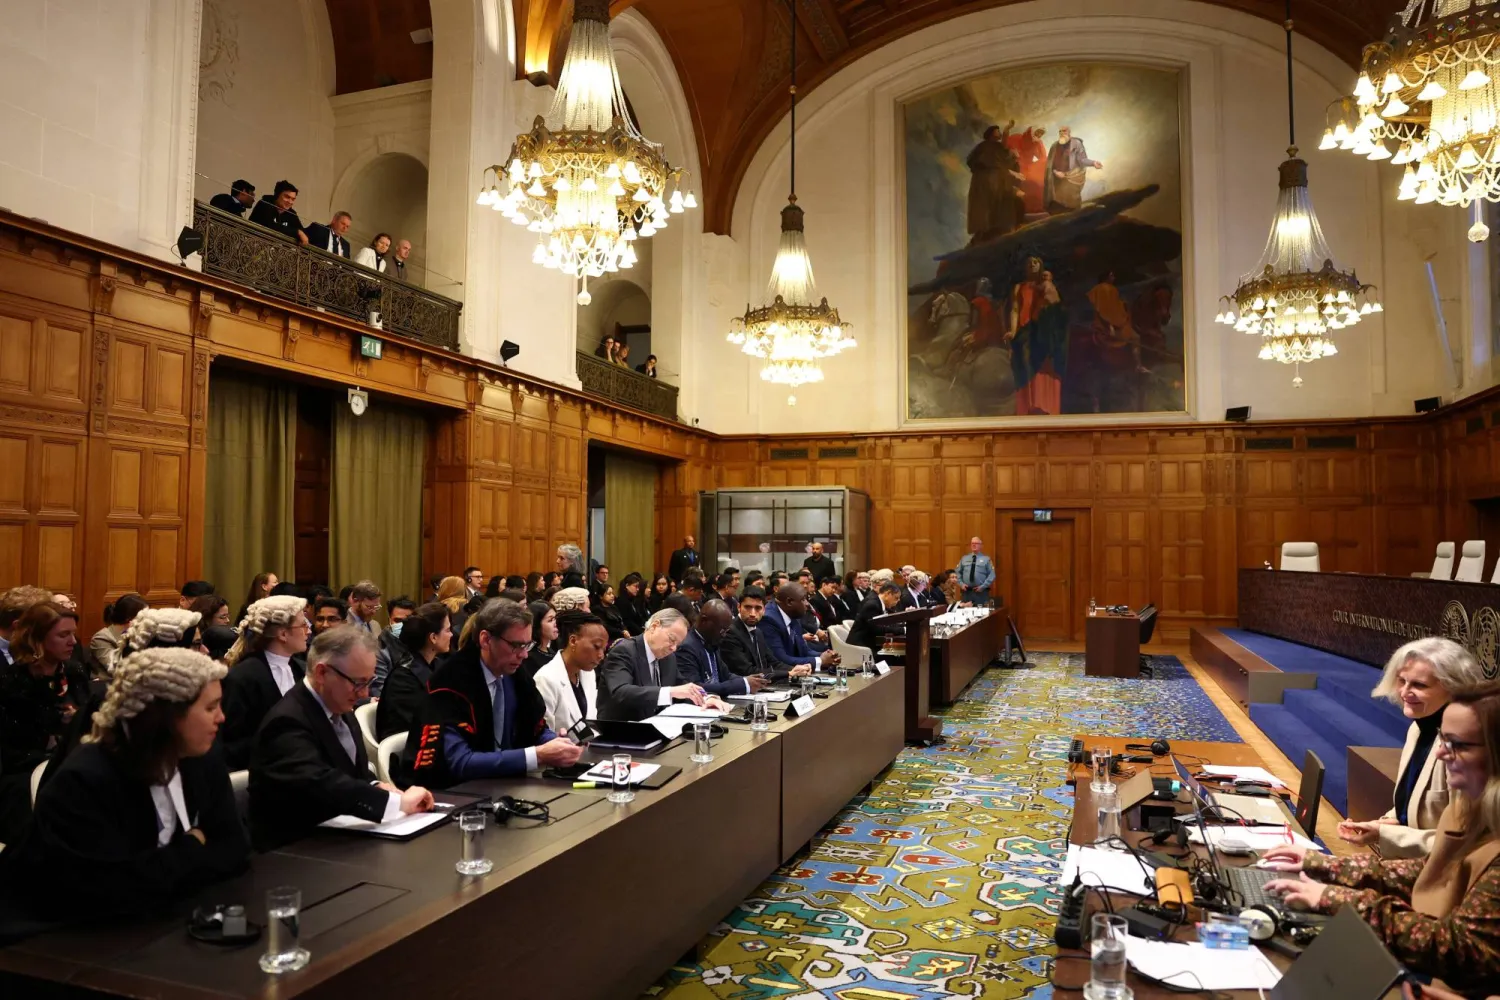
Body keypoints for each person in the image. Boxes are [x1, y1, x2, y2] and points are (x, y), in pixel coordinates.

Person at [1262, 680, 1500, 995]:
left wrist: (1340, 900)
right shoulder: (1471, 808)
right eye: (1443, 738)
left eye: (1457, 743)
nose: (1441, 753)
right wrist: (1325, 866)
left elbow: (1460, 950)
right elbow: (1430, 871)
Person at [0, 648, 248, 928]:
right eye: (210, 707)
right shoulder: (85, 780)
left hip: (167, 919)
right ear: (164, 714)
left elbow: (234, 850)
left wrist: (164, 867)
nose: (221, 718)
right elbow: (109, 890)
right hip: (61, 940)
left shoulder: (202, 755)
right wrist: (192, 845)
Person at [249, 626, 432, 849]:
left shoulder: (339, 706)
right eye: (358, 683)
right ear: (322, 673)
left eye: (369, 682)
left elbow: (349, 773)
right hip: (296, 851)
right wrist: (396, 803)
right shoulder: (286, 722)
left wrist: (375, 786)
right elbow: (320, 783)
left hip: (344, 837)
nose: (364, 694)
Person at [405, 600, 584, 787]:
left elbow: (535, 729)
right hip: (456, 792)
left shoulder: (515, 675)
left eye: (527, 645)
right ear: (486, 640)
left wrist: (556, 744)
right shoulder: (449, 683)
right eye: (516, 645)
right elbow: (459, 762)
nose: (524, 655)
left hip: (508, 786)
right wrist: (537, 755)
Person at [1339, 638, 1486, 858]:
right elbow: (1409, 808)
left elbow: (1464, 844)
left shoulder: (1467, 748)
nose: (1405, 692)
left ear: (1454, 688)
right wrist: (1384, 824)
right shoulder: (1418, 728)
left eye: (1419, 685)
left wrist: (1386, 834)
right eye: (1402, 681)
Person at [0, 601, 85, 843]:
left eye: (73, 634)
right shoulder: (12, 683)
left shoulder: (75, 672)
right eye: (63, 635)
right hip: (25, 772)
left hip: (71, 764)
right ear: (37, 638)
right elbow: (14, 748)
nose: (73, 642)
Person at [219, 596, 309, 770]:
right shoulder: (243, 677)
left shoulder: (301, 669)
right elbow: (233, 743)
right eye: (303, 625)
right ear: (283, 634)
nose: (309, 630)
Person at [596, 609, 727, 721]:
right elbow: (621, 692)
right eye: (672, 639)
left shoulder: (668, 658)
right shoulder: (624, 651)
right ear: (654, 626)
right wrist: (670, 692)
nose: (674, 648)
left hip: (656, 731)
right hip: (620, 734)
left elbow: (681, 687)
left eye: (678, 644)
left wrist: (705, 699)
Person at [375, 603, 450, 743]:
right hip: (407, 751)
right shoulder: (403, 678)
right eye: (447, 630)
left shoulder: (437, 665)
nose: (451, 634)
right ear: (433, 637)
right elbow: (416, 726)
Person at [535, 610, 609, 734]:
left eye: (603, 649)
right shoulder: (545, 679)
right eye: (596, 647)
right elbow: (543, 737)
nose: (601, 655)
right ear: (573, 641)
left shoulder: (588, 673)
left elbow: (591, 723)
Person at [674, 600, 767, 699]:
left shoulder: (712, 640)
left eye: (726, 630)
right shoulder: (686, 647)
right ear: (704, 621)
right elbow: (694, 688)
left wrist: (748, 681)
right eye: (722, 630)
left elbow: (725, 675)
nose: (724, 635)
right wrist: (743, 684)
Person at [721, 587, 812, 685]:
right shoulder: (730, 632)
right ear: (739, 607)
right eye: (747, 607)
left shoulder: (758, 631)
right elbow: (747, 671)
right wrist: (788, 673)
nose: (752, 613)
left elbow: (773, 662)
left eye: (758, 608)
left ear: (764, 610)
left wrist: (797, 669)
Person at [752, 584, 839, 674]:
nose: (807, 604)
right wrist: (819, 661)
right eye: (803, 599)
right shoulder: (768, 620)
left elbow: (804, 650)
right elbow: (781, 659)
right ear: (789, 602)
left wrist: (827, 656)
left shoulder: (792, 613)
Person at [966, 123, 1025, 244]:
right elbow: (993, 163)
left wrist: (1007, 130)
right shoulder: (984, 147)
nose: (1000, 134)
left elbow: (1002, 156)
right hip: (986, 183)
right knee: (987, 208)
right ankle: (985, 232)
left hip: (997, 182)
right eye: (998, 131)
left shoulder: (997, 147)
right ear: (992, 133)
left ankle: (1000, 229)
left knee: (1002, 205)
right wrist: (1012, 173)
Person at [1045, 125, 1104, 214]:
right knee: (1058, 204)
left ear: (1069, 132)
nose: (1061, 133)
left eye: (1064, 131)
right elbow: (1050, 164)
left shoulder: (1076, 143)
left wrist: (1093, 163)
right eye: (1060, 131)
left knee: (1072, 204)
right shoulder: (1054, 146)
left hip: (1072, 179)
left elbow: (1082, 159)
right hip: (1056, 179)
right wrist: (1055, 172)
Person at [369, 596, 417, 699]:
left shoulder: (419, 644)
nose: (402, 625)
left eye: (407, 620)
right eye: (397, 620)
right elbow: (380, 691)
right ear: (389, 620)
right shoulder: (380, 650)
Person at [90, 593, 149, 674]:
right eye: (144, 616)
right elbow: (116, 668)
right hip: (109, 684)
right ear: (129, 618)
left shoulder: (143, 633)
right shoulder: (101, 638)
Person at [956, 537, 996, 606]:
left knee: (982, 614)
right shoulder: (964, 558)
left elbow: (992, 575)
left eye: (976, 543)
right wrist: (961, 584)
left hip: (981, 593)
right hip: (966, 592)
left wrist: (983, 586)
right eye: (972, 543)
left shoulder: (986, 559)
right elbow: (957, 572)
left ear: (981, 545)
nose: (974, 545)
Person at [523, 600, 558, 679]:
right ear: (537, 624)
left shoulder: (550, 651)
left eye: (555, 619)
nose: (556, 624)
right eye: (550, 620)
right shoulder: (530, 658)